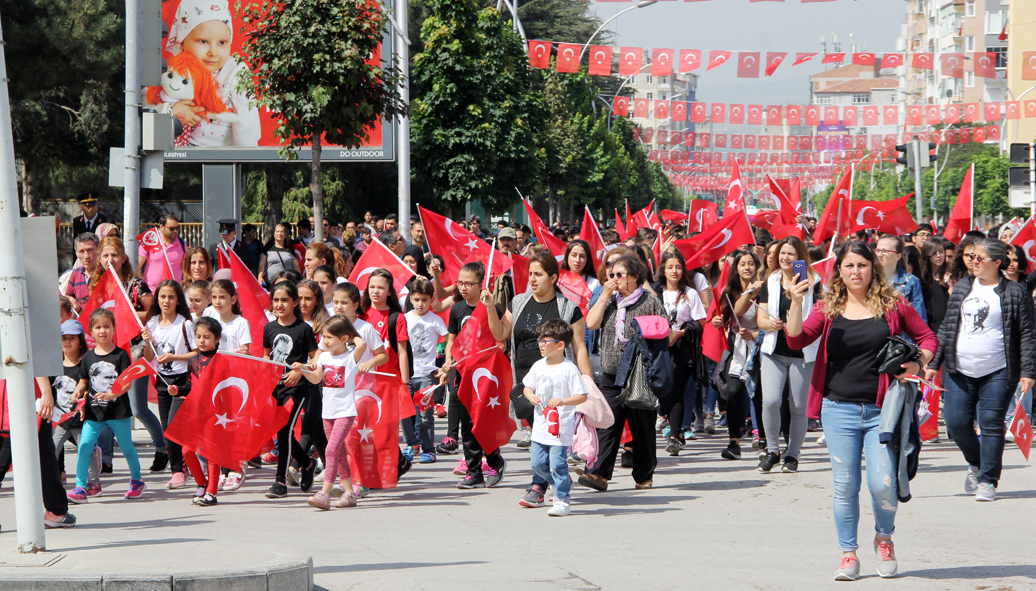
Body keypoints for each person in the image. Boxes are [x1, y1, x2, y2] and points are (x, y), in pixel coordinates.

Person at [785, 240, 937, 581]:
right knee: (845, 484)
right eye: (849, 265)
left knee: (883, 482)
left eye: (863, 265)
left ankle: (884, 539)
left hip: (883, 410)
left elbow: (928, 339)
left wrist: (916, 363)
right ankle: (848, 554)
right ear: (839, 270)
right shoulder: (826, 306)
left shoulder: (893, 304)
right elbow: (796, 340)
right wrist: (796, 302)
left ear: (874, 268)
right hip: (838, 409)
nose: (856, 271)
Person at [926, 237, 1036, 502]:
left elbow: (1027, 334)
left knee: (990, 423)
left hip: (999, 370)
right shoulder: (963, 287)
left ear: (997, 262)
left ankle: (988, 479)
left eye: (979, 258)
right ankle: (976, 463)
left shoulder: (1015, 292)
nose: (973, 262)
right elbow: (947, 328)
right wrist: (933, 364)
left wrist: (1028, 371)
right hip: (959, 369)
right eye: (971, 257)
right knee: (955, 423)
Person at [486, 252, 591, 507]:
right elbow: (500, 333)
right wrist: (490, 306)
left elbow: (579, 347)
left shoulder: (568, 308)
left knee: (550, 437)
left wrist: (587, 379)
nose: (532, 279)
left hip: (557, 386)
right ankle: (553, 480)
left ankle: (539, 486)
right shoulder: (519, 302)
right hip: (526, 383)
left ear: (553, 278)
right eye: (530, 274)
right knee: (537, 436)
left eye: (539, 274)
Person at [581, 253, 664, 491]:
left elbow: (663, 332)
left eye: (620, 274)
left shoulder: (649, 301)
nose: (614, 278)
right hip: (610, 375)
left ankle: (644, 474)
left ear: (635, 277)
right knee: (606, 423)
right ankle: (598, 474)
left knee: (642, 427)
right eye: (612, 274)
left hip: (639, 374)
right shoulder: (608, 300)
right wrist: (605, 295)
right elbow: (591, 323)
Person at [755, 236, 821, 474]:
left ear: (800, 257)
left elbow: (819, 317)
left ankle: (792, 455)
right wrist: (771, 324)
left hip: (803, 353)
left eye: (791, 254)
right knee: (771, 401)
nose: (785, 258)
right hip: (774, 351)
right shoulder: (770, 282)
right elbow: (760, 319)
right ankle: (772, 451)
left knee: (798, 407)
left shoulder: (814, 282)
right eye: (782, 253)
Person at [437, 262, 507, 488]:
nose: (463, 287)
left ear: (482, 284)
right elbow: (451, 341)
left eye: (469, 283)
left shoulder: (491, 308)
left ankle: (495, 462)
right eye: (460, 283)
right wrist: (448, 360)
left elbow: (500, 342)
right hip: (463, 372)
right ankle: (474, 470)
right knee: (466, 424)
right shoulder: (457, 309)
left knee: (483, 420)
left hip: (485, 374)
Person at [68, 309, 146, 501]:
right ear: (91, 332)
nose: (102, 330)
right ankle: (80, 487)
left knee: (127, 448)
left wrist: (114, 393)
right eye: (98, 327)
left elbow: (127, 382)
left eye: (106, 326)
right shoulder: (87, 357)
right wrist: (78, 390)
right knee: (84, 446)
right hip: (94, 413)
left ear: (113, 329)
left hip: (118, 412)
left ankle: (137, 481)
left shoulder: (121, 355)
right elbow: (84, 381)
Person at [164, 0, 261, 146]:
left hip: (222, 157)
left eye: (222, 42)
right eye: (203, 41)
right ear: (182, 42)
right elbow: (149, 107)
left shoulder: (236, 71)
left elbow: (247, 123)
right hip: (179, 159)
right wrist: (171, 110)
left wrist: (245, 158)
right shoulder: (174, 70)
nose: (213, 52)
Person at [521, 319, 589, 517]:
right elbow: (527, 386)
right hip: (541, 426)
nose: (540, 344)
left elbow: (582, 395)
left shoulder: (569, 368)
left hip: (560, 428)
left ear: (560, 345)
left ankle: (562, 499)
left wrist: (563, 401)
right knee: (537, 463)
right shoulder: (538, 366)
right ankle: (558, 482)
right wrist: (530, 395)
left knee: (557, 464)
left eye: (545, 340)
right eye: (539, 339)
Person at [299, 316, 367, 510]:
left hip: (345, 412)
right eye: (323, 337)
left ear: (344, 338)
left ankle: (324, 493)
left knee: (330, 450)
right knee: (339, 453)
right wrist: (302, 368)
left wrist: (348, 330)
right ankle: (349, 493)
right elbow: (315, 379)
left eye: (329, 337)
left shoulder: (351, 356)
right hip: (327, 413)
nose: (325, 341)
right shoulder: (324, 357)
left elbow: (361, 342)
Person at [263, 281, 320, 498]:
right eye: (276, 300)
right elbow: (266, 355)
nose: (279, 304)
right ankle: (307, 463)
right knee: (281, 431)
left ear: (295, 303)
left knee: (285, 430)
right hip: (274, 387)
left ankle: (280, 481)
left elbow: (316, 358)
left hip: (297, 387)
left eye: (285, 300)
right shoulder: (269, 328)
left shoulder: (304, 329)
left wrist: (300, 370)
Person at [141, 280, 199, 490]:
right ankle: (180, 468)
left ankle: (179, 468)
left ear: (178, 300)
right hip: (161, 381)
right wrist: (147, 341)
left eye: (171, 297)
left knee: (175, 425)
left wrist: (175, 356)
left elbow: (196, 352)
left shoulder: (185, 323)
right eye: (163, 296)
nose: (167, 301)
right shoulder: (153, 323)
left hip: (181, 381)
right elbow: (149, 357)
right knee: (167, 428)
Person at [654, 251, 706, 456]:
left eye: (678, 267)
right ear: (663, 270)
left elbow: (700, 322)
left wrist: (679, 333)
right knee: (663, 392)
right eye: (670, 267)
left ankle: (675, 435)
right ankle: (672, 423)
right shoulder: (656, 293)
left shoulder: (690, 293)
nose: (674, 271)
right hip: (659, 350)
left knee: (676, 392)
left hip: (682, 350)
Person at [170, 317, 223, 506]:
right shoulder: (193, 359)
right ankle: (201, 482)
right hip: (195, 412)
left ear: (216, 339)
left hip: (215, 414)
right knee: (186, 450)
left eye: (207, 337)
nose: (201, 340)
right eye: (198, 336)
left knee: (211, 452)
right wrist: (178, 389)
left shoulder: (222, 359)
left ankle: (212, 492)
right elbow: (189, 384)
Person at [717, 250, 764, 460]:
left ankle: (764, 439)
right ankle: (734, 442)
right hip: (737, 348)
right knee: (734, 393)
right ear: (736, 268)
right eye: (742, 264)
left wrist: (754, 334)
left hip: (760, 346)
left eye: (751, 263)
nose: (747, 267)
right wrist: (717, 322)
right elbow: (736, 311)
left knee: (760, 396)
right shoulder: (730, 290)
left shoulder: (766, 289)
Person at [52, 320, 102, 501]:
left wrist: (85, 399)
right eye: (64, 338)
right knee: (52, 449)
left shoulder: (85, 363)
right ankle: (50, 480)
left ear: (80, 341)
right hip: (61, 419)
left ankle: (94, 483)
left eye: (72, 338)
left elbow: (90, 387)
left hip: (81, 419)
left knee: (85, 451)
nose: (67, 342)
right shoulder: (55, 364)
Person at [404, 278, 448, 464]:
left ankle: (429, 450)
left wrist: (443, 361)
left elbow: (448, 339)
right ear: (411, 299)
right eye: (416, 299)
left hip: (427, 374)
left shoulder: (435, 320)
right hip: (407, 374)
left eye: (424, 299)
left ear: (431, 300)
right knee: (406, 413)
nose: (420, 304)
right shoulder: (404, 318)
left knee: (426, 414)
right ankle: (412, 444)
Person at [875, 236, 926, 322]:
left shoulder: (911, 281)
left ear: (898, 256)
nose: (880, 255)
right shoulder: (869, 279)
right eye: (878, 250)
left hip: (900, 333)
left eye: (885, 251)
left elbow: (918, 318)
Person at [138, 214, 185, 291]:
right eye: (172, 229)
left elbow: (184, 267)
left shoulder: (182, 242)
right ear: (162, 227)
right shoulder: (150, 240)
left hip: (174, 291)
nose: (175, 231)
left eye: (177, 228)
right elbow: (137, 266)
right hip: (152, 291)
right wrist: (143, 287)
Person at [919, 238, 951, 336]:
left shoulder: (950, 274)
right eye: (934, 253)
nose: (938, 256)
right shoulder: (921, 277)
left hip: (947, 324)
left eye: (941, 252)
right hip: (928, 325)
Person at [63, 233, 100, 311]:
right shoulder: (75, 274)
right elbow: (68, 298)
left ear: (99, 250)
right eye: (81, 251)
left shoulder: (107, 274)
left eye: (90, 250)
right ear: (76, 253)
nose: (86, 256)